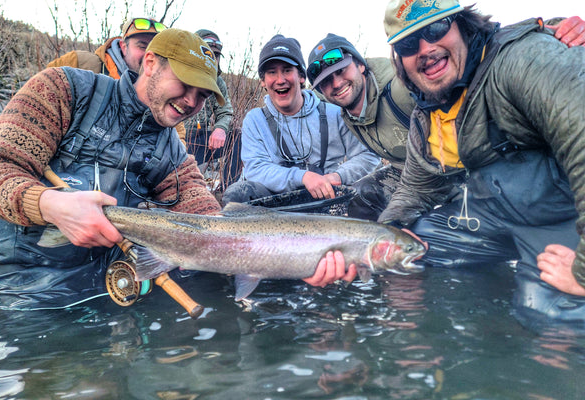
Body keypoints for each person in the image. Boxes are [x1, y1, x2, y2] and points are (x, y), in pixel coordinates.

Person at [0, 29, 348, 310]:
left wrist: (299, 264)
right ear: (150, 63)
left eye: (203, 94)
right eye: (185, 83)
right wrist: (50, 206)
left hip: (108, 289)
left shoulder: (174, 152)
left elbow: (212, 226)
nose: (191, 101)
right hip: (15, 286)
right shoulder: (64, 89)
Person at [377, 0, 585, 326]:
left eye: (435, 29)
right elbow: (413, 191)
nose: (426, 48)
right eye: (407, 43)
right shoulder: (425, 117)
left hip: (563, 222)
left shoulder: (522, 61)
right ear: (400, 60)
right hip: (493, 219)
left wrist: (583, 271)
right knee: (412, 246)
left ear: (463, 24)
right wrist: (375, 243)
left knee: (546, 316)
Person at [307, 17, 585, 221]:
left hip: (459, 170)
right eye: (325, 82)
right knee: (364, 193)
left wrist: (557, 28)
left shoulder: (405, 87)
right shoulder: (347, 114)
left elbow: (493, 53)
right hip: (414, 173)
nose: (336, 83)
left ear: (360, 65)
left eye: (341, 71)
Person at [222, 34, 381, 205]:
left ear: (301, 77)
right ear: (263, 81)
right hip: (273, 201)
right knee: (238, 194)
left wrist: (337, 176)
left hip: (327, 195)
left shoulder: (335, 114)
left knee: (372, 192)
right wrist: (303, 177)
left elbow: (368, 155)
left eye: (287, 70)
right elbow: (256, 169)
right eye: (272, 72)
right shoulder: (255, 120)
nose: (280, 80)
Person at [180, 29, 238, 187]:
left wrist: (220, 128)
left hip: (201, 140)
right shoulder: (179, 73)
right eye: (207, 54)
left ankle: (227, 190)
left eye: (215, 56)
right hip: (177, 140)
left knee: (238, 139)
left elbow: (225, 111)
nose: (212, 60)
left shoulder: (217, 82)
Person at [47, 17, 166, 78]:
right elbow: (38, 95)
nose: (149, 56)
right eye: (142, 46)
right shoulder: (79, 63)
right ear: (123, 47)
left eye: (155, 50)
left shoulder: (162, 87)